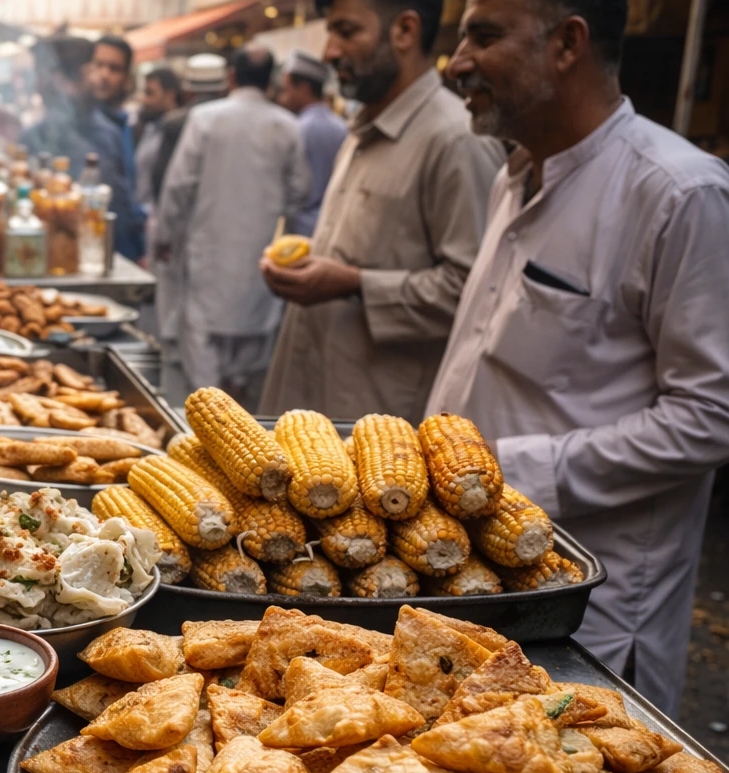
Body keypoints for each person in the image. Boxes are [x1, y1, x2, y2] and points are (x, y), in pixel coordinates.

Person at [427, 0, 729, 716]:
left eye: (484, 36)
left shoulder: (680, 193)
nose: (457, 60)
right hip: (470, 575)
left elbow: (712, 414)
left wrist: (521, 471)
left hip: (588, 606)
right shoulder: (514, 176)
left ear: (568, 44)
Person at [258, 0, 504, 421]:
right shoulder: (360, 132)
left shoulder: (456, 141)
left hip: (380, 426)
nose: (329, 52)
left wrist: (353, 284)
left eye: (346, 32)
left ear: (405, 31)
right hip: (311, 400)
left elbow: (477, 298)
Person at [157, 45, 309, 408]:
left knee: (204, 356)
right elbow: (300, 191)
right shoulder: (287, 125)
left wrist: (165, 236)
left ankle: (210, 426)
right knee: (253, 357)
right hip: (261, 257)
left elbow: (178, 186)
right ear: (271, 81)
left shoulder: (206, 119)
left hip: (208, 251)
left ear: (232, 76)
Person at [147, 54, 226, 380]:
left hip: (187, 230)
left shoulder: (180, 123)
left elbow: (170, 184)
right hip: (223, 235)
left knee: (187, 316)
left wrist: (164, 233)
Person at [84, 35, 146, 260]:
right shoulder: (84, 126)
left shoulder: (123, 124)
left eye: (114, 68)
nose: (104, 75)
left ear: (126, 78)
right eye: (99, 65)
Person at [275, 50, 347, 236]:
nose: (284, 97)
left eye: (287, 89)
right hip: (336, 227)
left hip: (302, 233)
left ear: (304, 88)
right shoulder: (342, 127)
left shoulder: (296, 129)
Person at [20, 36, 98, 174]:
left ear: (60, 79)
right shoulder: (37, 135)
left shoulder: (105, 135)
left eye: (41, 75)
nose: (37, 85)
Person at [134, 67, 181, 213]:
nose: (144, 99)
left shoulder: (180, 133)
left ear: (170, 95)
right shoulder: (149, 128)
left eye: (150, 93)